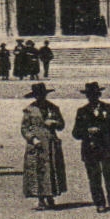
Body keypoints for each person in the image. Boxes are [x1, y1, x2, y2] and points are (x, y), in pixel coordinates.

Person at [72, 81, 110, 213]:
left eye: (94, 95)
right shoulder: (82, 111)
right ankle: (99, 202)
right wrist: (87, 131)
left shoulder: (109, 109)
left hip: (107, 148)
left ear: (99, 94)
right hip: (90, 149)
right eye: (89, 95)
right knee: (94, 177)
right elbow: (76, 133)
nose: (92, 98)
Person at [21, 82, 68, 210]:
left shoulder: (53, 108)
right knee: (37, 170)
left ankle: (50, 196)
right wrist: (32, 138)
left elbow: (62, 125)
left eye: (42, 95)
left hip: (51, 142)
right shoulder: (29, 110)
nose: (40, 98)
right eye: (37, 96)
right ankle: (40, 199)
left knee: (51, 169)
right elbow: (24, 128)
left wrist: (54, 122)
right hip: (37, 144)